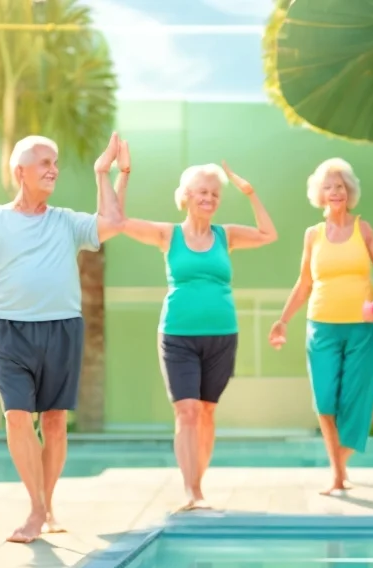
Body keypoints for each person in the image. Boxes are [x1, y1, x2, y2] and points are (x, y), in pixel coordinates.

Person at [0, 133, 125, 543]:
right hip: (10, 328)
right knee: (18, 416)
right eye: (44, 162)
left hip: (62, 326)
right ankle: (37, 509)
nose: (53, 168)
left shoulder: (66, 221)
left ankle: (47, 504)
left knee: (54, 422)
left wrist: (103, 172)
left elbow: (112, 224)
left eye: (55, 161)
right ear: (20, 172)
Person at [113, 142, 277, 511]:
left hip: (222, 335)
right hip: (177, 335)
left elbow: (269, 234)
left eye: (215, 193)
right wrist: (122, 175)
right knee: (186, 410)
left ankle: (197, 485)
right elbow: (119, 221)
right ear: (186, 196)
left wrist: (249, 192)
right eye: (202, 191)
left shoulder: (226, 235)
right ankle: (192, 492)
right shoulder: (167, 235)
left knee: (206, 412)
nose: (210, 198)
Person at [268, 158, 373, 496]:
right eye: (329, 186)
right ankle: (339, 470)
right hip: (321, 326)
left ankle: (338, 474)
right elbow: (303, 283)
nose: (335, 191)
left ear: (349, 191)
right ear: (320, 194)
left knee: (356, 401)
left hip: (362, 328)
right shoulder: (312, 235)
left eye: (340, 186)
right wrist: (282, 320)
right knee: (325, 401)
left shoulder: (362, 228)